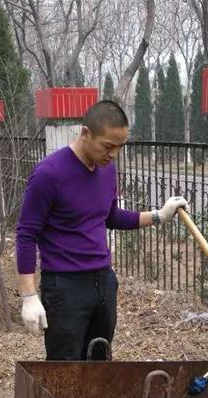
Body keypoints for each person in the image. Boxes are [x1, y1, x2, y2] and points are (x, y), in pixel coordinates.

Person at [16, 99, 188, 359]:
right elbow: (26, 233)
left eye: (120, 147)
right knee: (65, 369)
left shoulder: (107, 170)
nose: (114, 154)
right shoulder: (49, 174)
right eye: (108, 146)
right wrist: (29, 295)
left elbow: (111, 216)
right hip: (65, 288)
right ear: (86, 133)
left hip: (104, 283)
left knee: (100, 363)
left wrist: (158, 216)